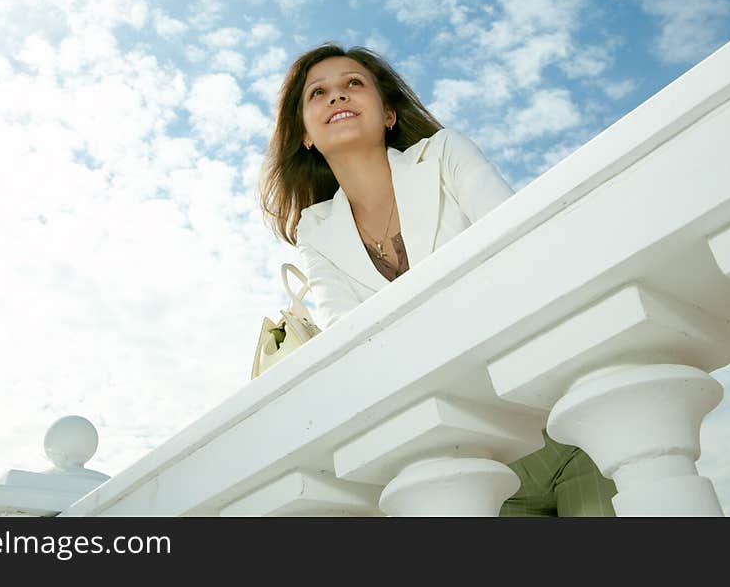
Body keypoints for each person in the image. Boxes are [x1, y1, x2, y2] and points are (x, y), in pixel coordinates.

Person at [259, 42, 617, 517]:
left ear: (388, 113)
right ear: (304, 134)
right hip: (469, 457)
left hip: (564, 419)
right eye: (317, 93)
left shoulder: (445, 154)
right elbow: (348, 337)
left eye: (353, 84)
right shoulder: (316, 230)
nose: (337, 97)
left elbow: (516, 248)